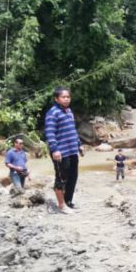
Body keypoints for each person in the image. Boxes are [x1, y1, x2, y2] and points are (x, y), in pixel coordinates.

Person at [45, 86, 83, 214]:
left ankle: (68, 202)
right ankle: (61, 205)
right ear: (57, 99)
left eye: (68, 97)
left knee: (73, 177)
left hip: (72, 150)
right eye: (63, 97)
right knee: (61, 178)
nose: (67, 99)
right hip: (60, 152)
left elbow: (73, 130)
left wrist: (79, 144)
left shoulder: (69, 111)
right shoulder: (52, 113)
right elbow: (50, 133)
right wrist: (55, 149)